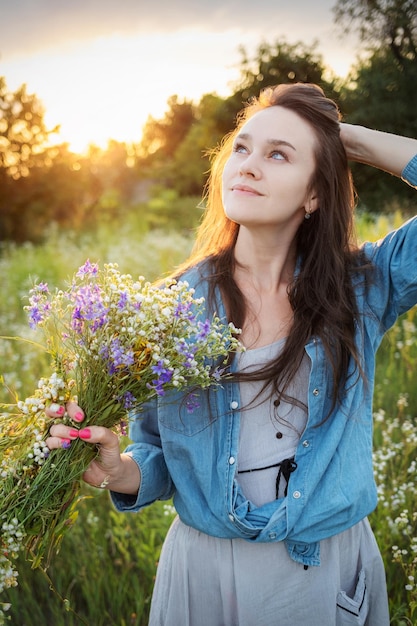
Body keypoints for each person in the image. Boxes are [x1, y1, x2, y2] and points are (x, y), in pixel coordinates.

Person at [46, 83, 417, 626]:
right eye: (241, 148)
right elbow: (159, 455)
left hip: (326, 567)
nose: (248, 165)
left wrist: (351, 142)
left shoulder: (362, 286)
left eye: (279, 154)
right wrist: (121, 472)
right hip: (207, 574)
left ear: (315, 194)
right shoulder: (170, 307)